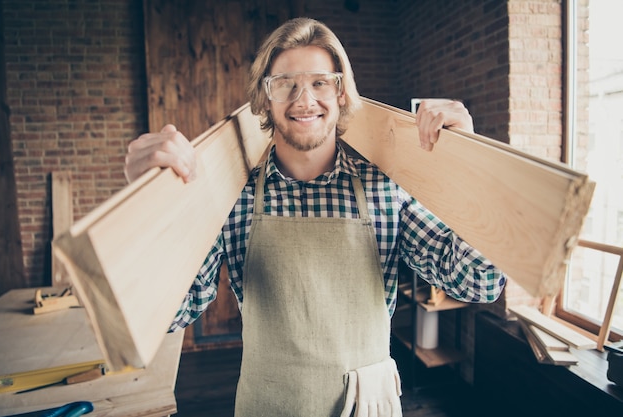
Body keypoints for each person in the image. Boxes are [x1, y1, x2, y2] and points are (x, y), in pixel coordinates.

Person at [124, 17, 506, 417]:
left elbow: (477, 282)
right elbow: (174, 312)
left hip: (368, 407)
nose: (304, 100)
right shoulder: (233, 198)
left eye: (321, 82)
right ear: (264, 99)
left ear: (342, 93)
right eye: (286, 83)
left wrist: (469, 166)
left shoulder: (385, 191)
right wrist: (149, 202)